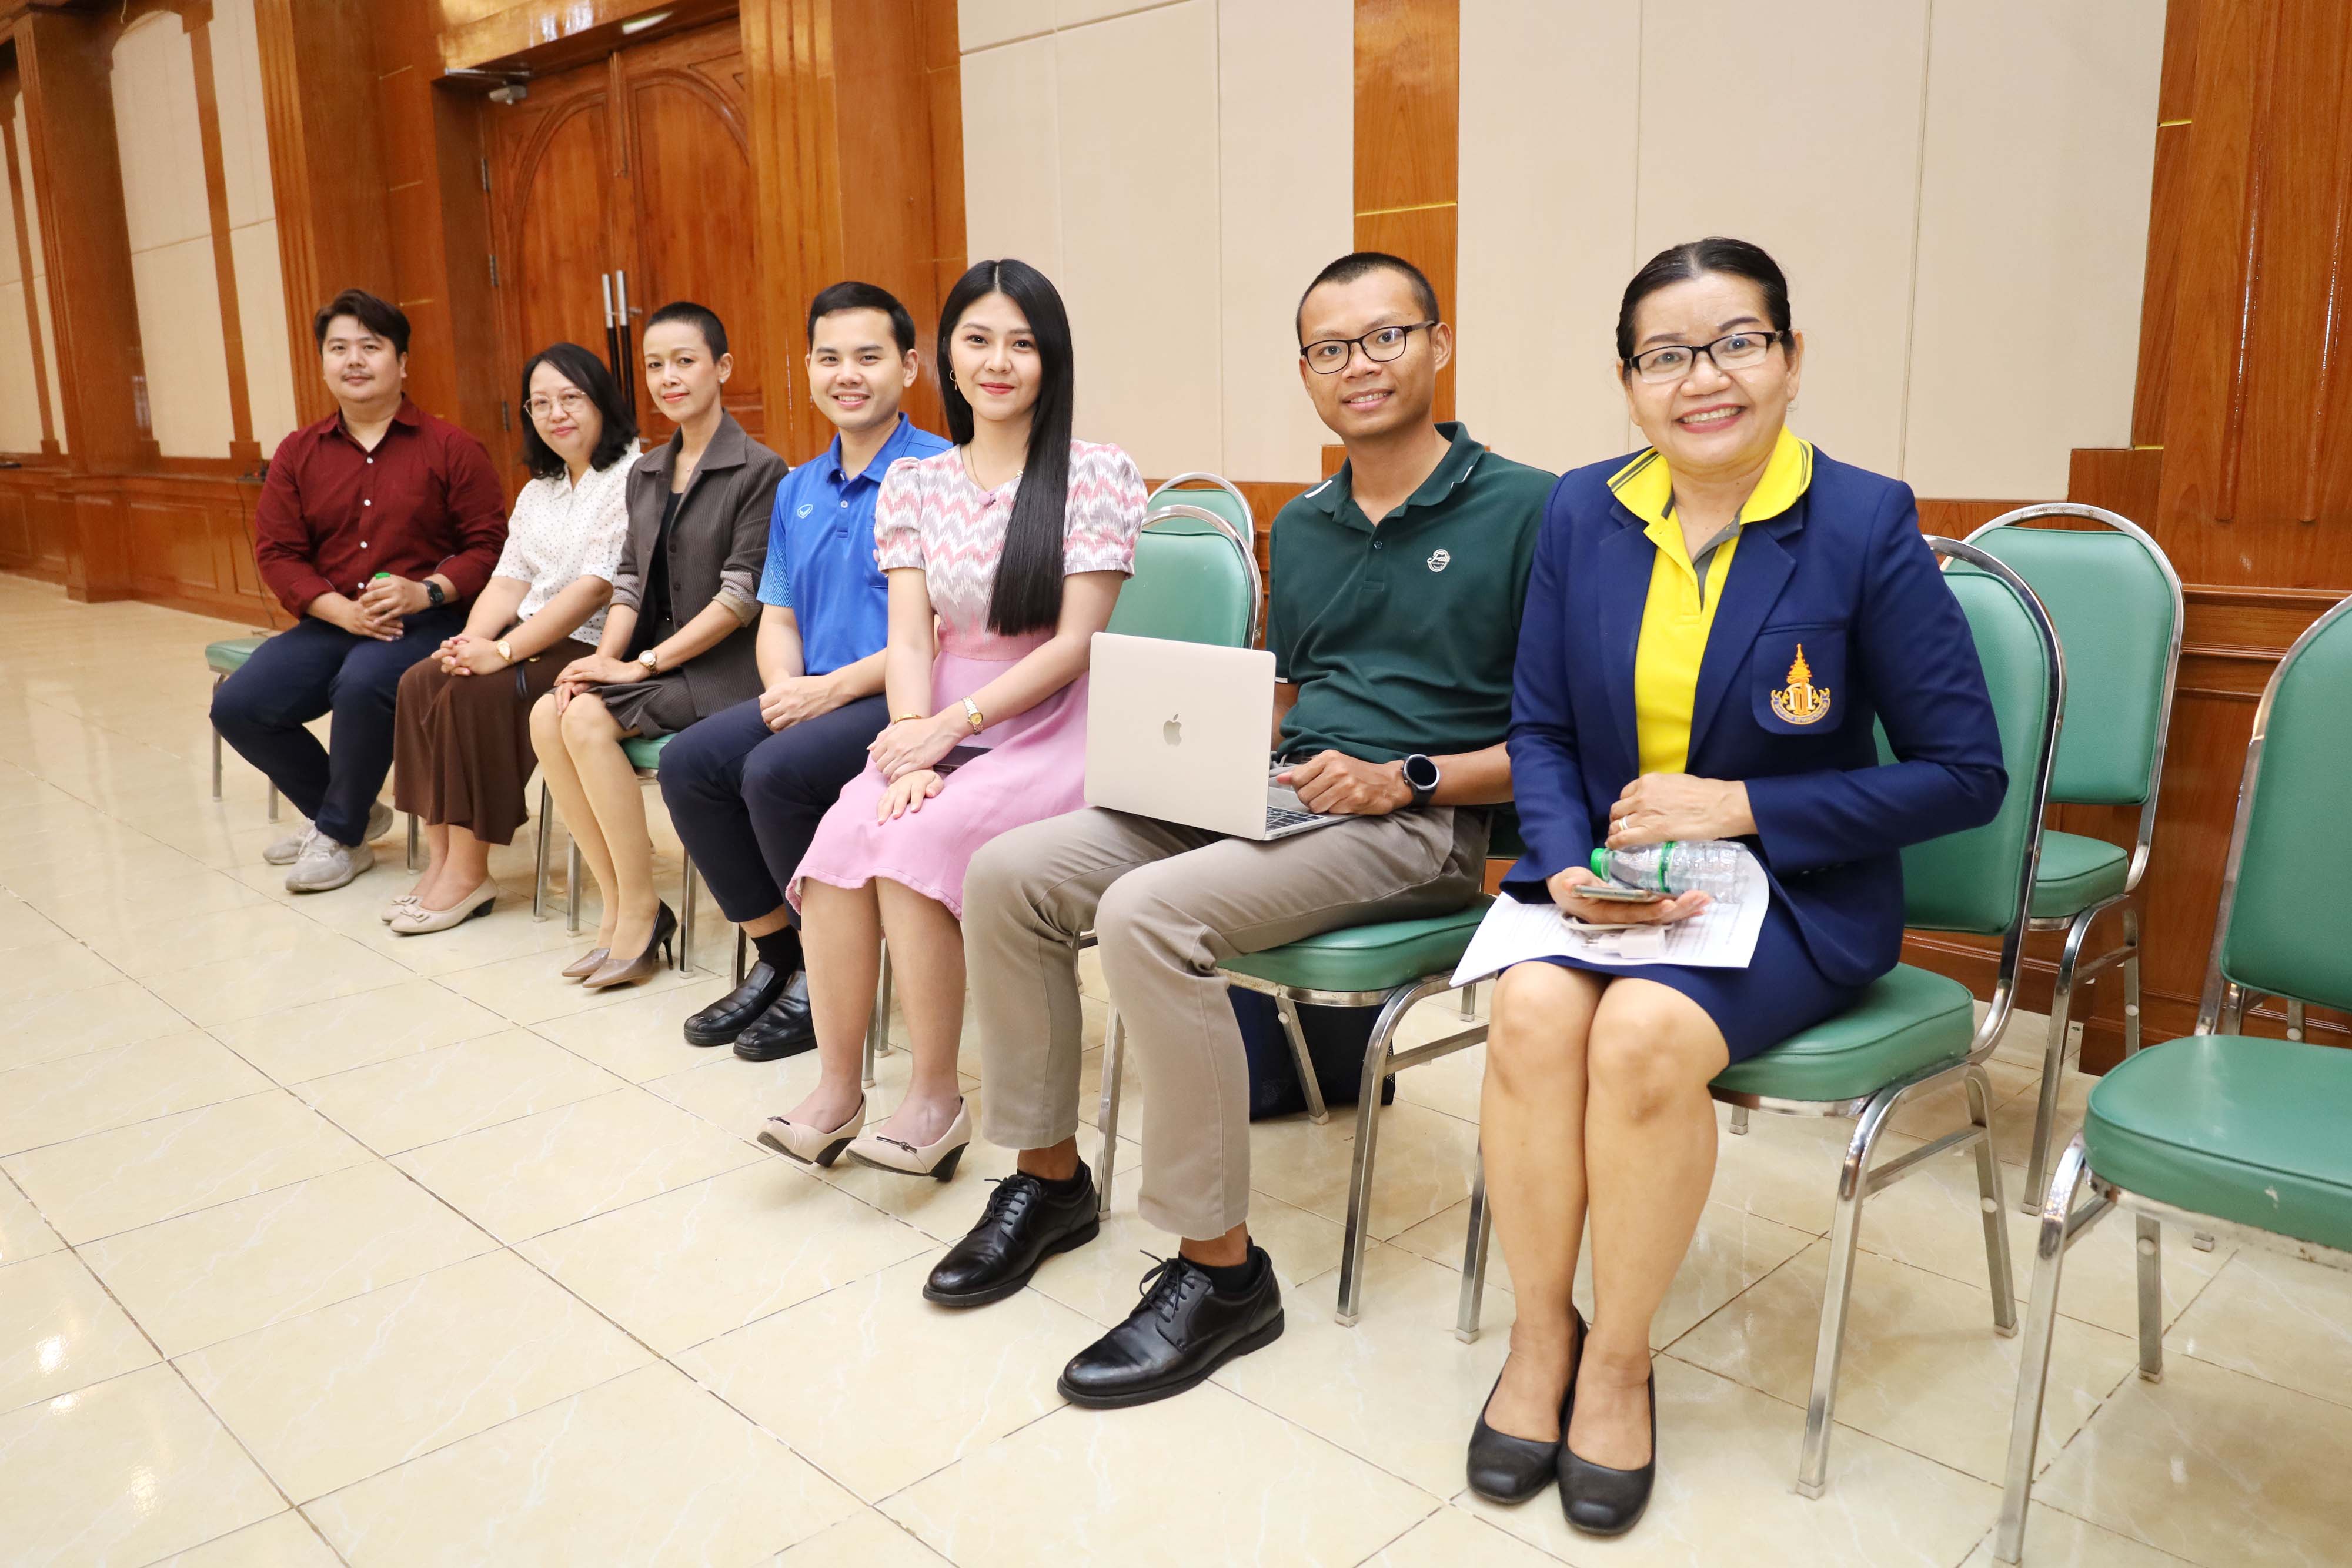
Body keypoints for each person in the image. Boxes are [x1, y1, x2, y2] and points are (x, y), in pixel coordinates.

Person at [930, 252, 1555, 1409]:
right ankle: (1051, 1179)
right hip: (1284, 793)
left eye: (1385, 336)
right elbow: (1299, 696)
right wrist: (1190, 747)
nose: (1358, 365)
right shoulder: (1304, 523)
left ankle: (1221, 1273)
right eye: (1329, 348)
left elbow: (1567, 737)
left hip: (1421, 823)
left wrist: (1407, 776)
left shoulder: (1531, 507)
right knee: (1010, 870)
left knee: (1147, 914)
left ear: (1439, 343)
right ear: (1305, 371)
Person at [1465, 238, 2006, 1536]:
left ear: (1791, 357)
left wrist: (1745, 806)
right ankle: (1540, 1336)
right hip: (1611, 879)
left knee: (1643, 1035)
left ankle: (1617, 1362)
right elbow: (1540, 726)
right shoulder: (1581, 511)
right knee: (1529, 1009)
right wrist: (1566, 862)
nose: (1702, 378)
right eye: (1665, 356)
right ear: (1627, 382)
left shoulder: (1863, 521)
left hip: (1794, 891)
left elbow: (1963, 774)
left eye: (1736, 344)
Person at [756, 258, 1144, 1179]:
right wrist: (912, 739)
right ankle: (838, 1087)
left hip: (1054, 721)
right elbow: (909, 637)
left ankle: (936, 1099)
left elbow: (1075, 644)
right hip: (935, 712)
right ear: (949, 357)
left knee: (915, 844)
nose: (998, 361)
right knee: (843, 838)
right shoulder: (918, 483)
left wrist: (949, 727)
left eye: (1022, 343)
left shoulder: (1095, 473)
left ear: (1051, 358)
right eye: (978, 339)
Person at [657, 283, 950, 1055]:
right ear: (809, 369)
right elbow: (778, 615)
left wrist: (829, 691)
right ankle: (782, 955)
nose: (847, 374)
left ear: (908, 367)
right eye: (829, 358)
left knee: (774, 772)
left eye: (868, 357)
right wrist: (787, 687)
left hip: (906, 696)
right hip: (817, 691)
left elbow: (940, 631)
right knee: (690, 762)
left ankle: (831, 977)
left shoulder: (943, 473)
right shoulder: (797, 488)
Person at [212, 289, 506, 893]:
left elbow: (489, 547)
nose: (353, 361)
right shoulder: (298, 452)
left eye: (370, 347)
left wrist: (427, 592)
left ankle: (341, 835)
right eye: (338, 348)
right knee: (239, 704)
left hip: (427, 621)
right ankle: (344, 811)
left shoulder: (452, 448)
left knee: (365, 681)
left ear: (402, 362)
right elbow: (278, 552)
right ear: (323, 362)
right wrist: (339, 611)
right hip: (334, 618)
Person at [530, 302, 786, 988]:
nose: (668, 377)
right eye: (654, 366)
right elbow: (629, 581)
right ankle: (617, 908)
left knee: (586, 720)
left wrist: (637, 665)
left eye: (684, 361)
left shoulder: (761, 469)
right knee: (552, 710)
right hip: (659, 665)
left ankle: (643, 912)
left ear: (721, 368)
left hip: (725, 672)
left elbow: (740, 599)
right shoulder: (646, 472)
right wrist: (601, 662)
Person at [385, 343, 640, 933]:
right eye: (540, 403)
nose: (556, 414)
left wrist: (501, 653)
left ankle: (470, 871)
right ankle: (441, 859)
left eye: (571, 398)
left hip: (595, 643)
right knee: (424, 680)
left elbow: (595, 588)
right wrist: (466, 646)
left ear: (602, 401)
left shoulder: (631, 477)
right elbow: (508, 580)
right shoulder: (539, 489)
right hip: (533, 636)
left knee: (477, 693)